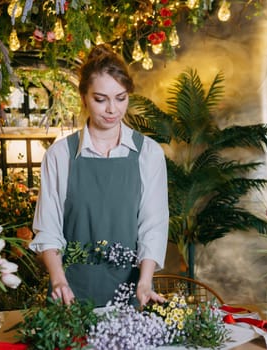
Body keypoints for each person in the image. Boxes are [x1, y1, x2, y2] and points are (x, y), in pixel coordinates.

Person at [30, 44, 169, 308]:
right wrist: (59, 281)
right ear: (83, 96)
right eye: (100, 98)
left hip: (130, 292)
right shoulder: (60, 155)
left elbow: (153, 227)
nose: (112, 109)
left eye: (120, 97)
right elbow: (47, 228)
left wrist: (145, 281)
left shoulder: (149, 154)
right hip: (69, 293)